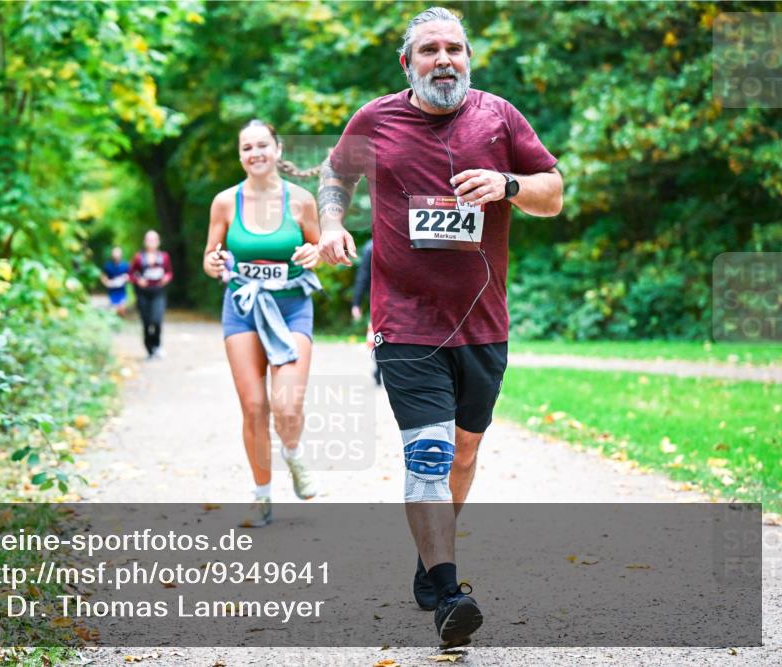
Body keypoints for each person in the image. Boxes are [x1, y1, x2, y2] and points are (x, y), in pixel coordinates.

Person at [317, 7, 563, 647]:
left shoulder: (499, 117)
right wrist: (333, 223)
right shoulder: (376, 119)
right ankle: (450, 594)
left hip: (483, 323)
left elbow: (553, 192)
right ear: (408, 63)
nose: (444, 59)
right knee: (427, 452)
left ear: (468, 59)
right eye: (429, 49)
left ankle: (431, 555)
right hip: (404, 322)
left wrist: (507, 185)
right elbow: (336, 174)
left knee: (464, 451)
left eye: (455, 48)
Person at [203, 119, 323, 527]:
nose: (255, 153)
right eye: (247, 148)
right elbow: (210, 256)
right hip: (243, 307)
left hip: (291, 307)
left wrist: (313, 254)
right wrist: (214, 262)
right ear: (240, 156)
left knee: (287, 406)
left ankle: (292, 452)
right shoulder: (225, 202)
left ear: (278, 149)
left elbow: (319, 248)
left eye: (262, 145)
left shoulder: (301, 200)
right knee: (254, 406)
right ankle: (262, 496)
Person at [130, 230, 173, 359]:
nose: (152, 242)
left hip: (158, 292)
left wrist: (166, 278)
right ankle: (149, 350)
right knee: (146, 322)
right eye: (149, 240)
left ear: (158, 242)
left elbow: (169, 272)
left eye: (154, 240)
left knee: (157, 320)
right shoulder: (139, 257)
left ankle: (157, 346)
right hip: (143, 294)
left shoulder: (164, 257)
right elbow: (131, 274)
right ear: (145, 242)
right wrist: (139, 280)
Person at [350, 238, 381, 385]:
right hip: (380, 300)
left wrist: (356, 303)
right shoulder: (371, 247)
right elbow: (363, 276)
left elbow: (362, 276)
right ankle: (380, 368)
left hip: (378, 300)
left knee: (380, 335)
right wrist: (356, 303)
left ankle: (379, 369)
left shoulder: (371, 246)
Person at [101, 246, 131, 316]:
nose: (116, 254)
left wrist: (126, 278)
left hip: (122, 292)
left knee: (122, 310)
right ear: (112, 254)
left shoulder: (125, 265)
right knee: (114, 311)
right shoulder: (108, 266)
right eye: (114, 252)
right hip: (112, 292)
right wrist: (108, 283)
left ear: (121, 254)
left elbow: (130, 277)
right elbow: (103, 277)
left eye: (118, 252)